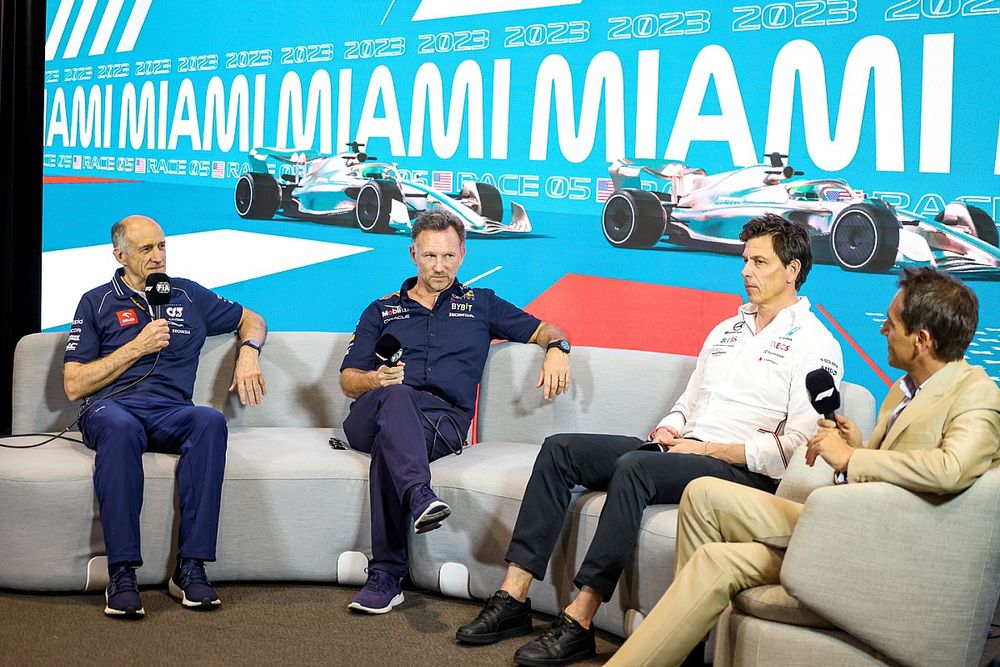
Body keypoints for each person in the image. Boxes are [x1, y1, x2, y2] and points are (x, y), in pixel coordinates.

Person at [457, 213, 844, 666]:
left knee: (634, 467)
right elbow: (689, 401)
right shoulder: (726, 331)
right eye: (745, 260)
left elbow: (795, 447)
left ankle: (580, 619)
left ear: (792, 270)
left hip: (741, 470)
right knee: (561, 449)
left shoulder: (816, 344)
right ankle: (514, 597)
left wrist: (706, 450)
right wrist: (670, 427)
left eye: (759, 262)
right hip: (685, 449)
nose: (745, 271)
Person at [607, 267, 1000, 667]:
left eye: (891, 323)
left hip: (885, 550)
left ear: (922, 341)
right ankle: (687, 655)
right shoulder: (904, 389)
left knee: (717, 558)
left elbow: (951, 469)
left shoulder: (978, 394)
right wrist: (856, 445)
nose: (882, 330)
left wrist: (853, 458)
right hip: (850, 523)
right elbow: (893, 466)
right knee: (703, 493)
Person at [339, 210, 571, 615]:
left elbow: (545, 330)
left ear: (462, 253)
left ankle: (386, 576)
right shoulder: (381, 310)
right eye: (430, 256)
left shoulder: (482, 304)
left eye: (448, 256)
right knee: (397, 399)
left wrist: (557, 349)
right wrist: (377, 380)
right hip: (375, 409)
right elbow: (347, 380)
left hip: (439, 426)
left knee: (390, 446)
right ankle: (418, 495)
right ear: (413, 253)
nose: (440, 266)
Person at [63, 215, 268, 618]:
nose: (158, 257)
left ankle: (191, 568)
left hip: (171, 411)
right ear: (119, 255)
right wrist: (135, 348)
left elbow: (252, 318)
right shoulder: (96, 301)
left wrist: (249, 351)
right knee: (120, 429)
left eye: (161, 246)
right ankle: (122, 573)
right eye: (146, 249)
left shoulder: (188, 295)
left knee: (209, 421)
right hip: (111, 409)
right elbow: (73, 384)